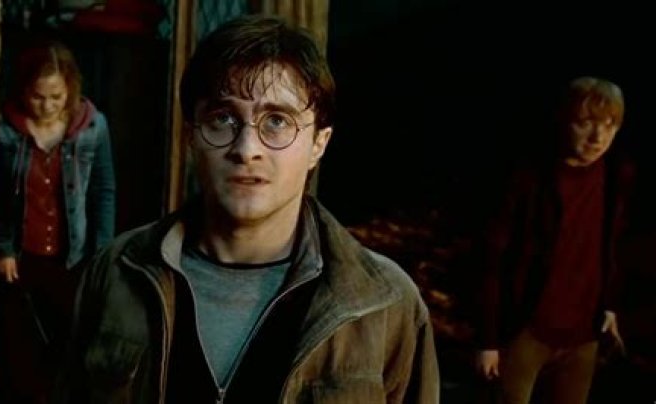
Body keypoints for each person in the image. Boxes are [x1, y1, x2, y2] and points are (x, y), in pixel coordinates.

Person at [52, 14, 439, 404]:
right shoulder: (116, 273)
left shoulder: (384, 302)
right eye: (222, 119)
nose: (246, 149)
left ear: (318, 144)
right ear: (191, 136)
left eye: (277, 121)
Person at [474, 76, 634, 404]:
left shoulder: (615, 175)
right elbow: (492, 258)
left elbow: (611, 247)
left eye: (609, 125)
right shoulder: (528, 179)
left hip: (583, 337)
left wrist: (608, 305)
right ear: (563, 120)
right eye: (585, 123)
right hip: (525, 332)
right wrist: (487, 340)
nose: (598, 137)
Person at [0, 38, 116, 403]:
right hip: (21, 259)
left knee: (68, 346)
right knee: (17, 351)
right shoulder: (6, 130)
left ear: (70, 89)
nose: (46, 106)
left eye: (56, 97)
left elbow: (104, 191)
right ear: (23, 91)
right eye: (38, 96)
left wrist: (101, 253)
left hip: (71, 258)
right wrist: (3, 248)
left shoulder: (93, 127)